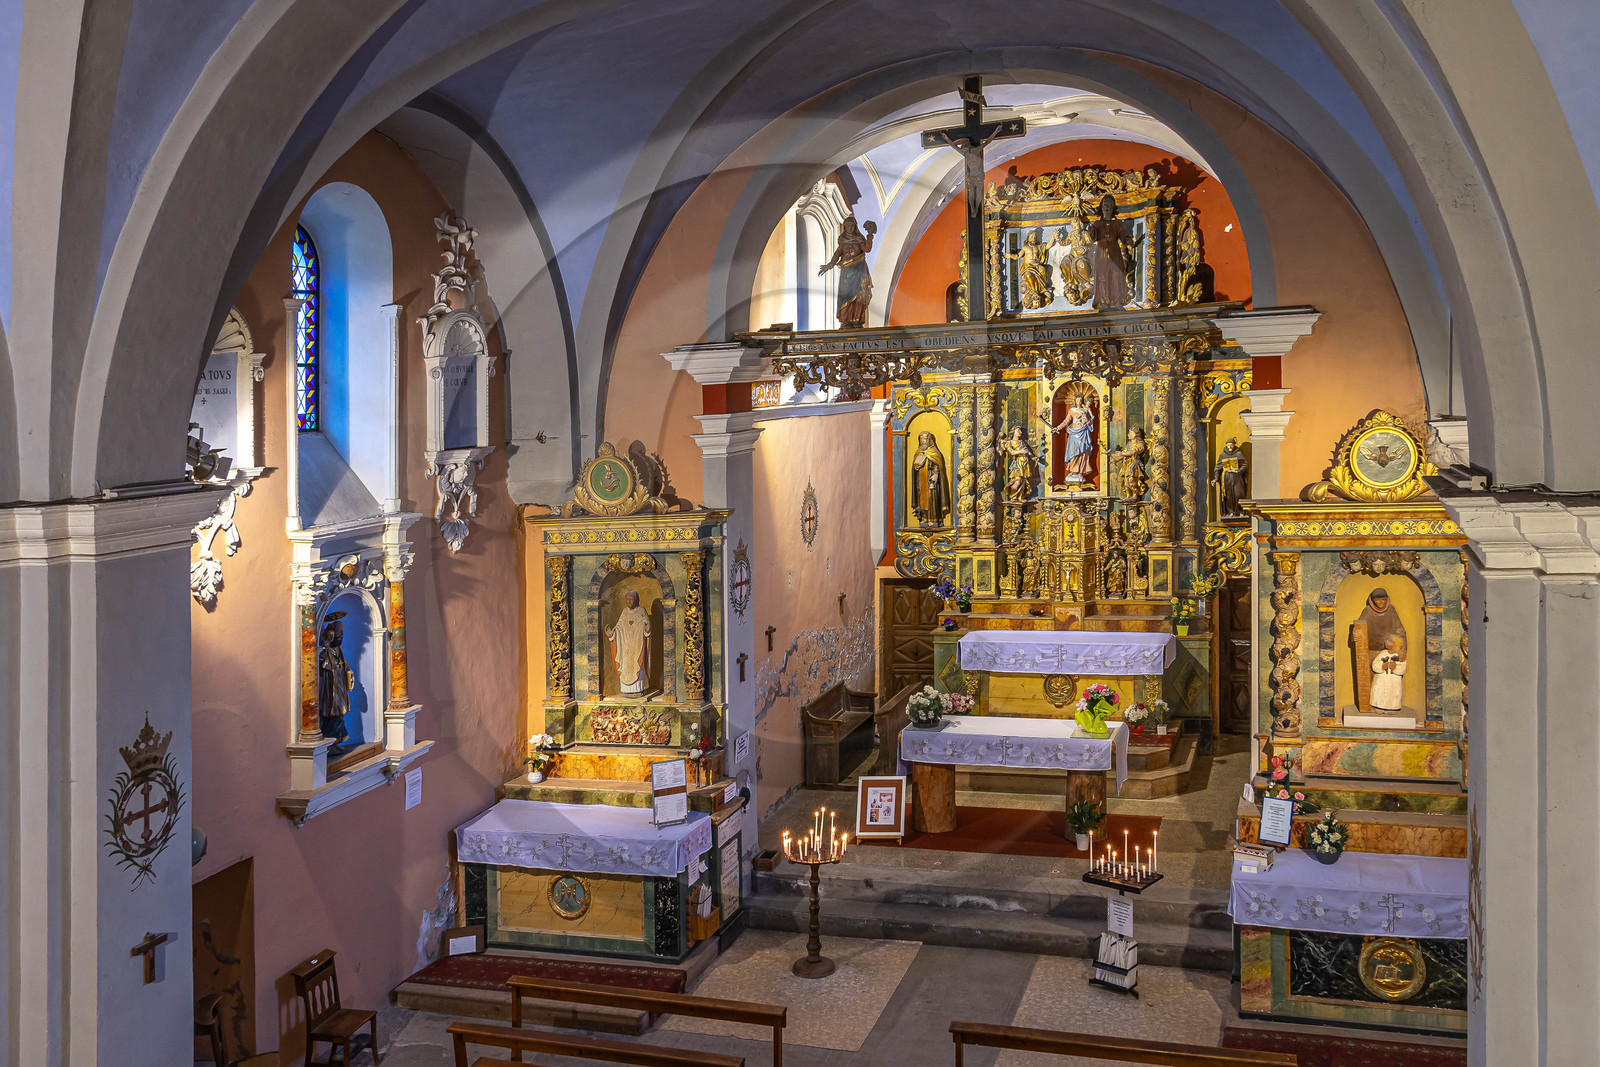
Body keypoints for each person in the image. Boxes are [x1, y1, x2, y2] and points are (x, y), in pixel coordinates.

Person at [817, 216, 876, 328]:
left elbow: (867, 249)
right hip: (846, 272)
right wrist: (829, 265)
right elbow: (837, 254)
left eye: (851, 225)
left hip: (858, 270)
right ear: (845, 227)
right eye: (847, 226)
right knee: (845, 296)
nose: (849, 228)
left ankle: (856, 320)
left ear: (855, 227)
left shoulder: (859, 239)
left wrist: (870, 235)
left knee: (859, 295)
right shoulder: (842, 241)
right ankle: (846, 320)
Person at [1088, 194, 1140, 309]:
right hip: (1101, 253)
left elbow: (1123, 234)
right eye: (1105, 204)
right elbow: (1092, 238)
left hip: (1114, 250)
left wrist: (1128, 240)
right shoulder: (1097, 224)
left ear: (1113, 207)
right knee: (1102, 276)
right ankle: (1104, 302)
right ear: (1101, 207)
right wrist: (1091, 231)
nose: (1107, 207)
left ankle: (1117, 301)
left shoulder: (1117, 223)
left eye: (1110, 205)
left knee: (1116, 275)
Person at [317, 611, 354, 745]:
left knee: (339, 712)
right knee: (329, 712)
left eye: (342, 634)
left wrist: (348, 673)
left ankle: (336, 740)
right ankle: (328, 740)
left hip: (339, 685)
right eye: (338, 633)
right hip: (328, 685)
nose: (340, 636)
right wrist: (325, 644)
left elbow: (344, 663)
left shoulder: (338, 648)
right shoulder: (326, 646)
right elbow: (319, 660)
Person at [607, 589, 652, 696]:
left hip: (637, 645)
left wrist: (646, 629)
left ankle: (639, 689)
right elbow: (619, 627)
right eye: (627, 600)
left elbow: (646, 625)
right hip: (626, 647)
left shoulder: (641, 610)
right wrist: (612, 634)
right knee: (625, 666)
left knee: (638, 664)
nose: (629, 602)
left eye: (631, 600)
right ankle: (627, 691)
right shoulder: (624, 612)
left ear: (636, 600)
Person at [1045, 398, 1096, 484]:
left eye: (1080, 400)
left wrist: (1088, 418)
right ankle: (1073, 471)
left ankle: (1080, 471)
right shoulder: (1072, 410)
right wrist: (1057, 428)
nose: (1079, 401)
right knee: (1073, 453)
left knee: (1083, 453)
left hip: (1083, 433)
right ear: (1075, 401)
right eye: (1077, 400)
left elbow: (1090, 422)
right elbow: (1066, 421)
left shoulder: (1085, 410)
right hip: (1074, 434)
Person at [1005, 228, 1052, 309]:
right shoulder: (1025, 247)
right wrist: (1010, 255)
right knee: (1028, 276)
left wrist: (1053, 237)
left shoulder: (1038, 246)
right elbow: (1018, 256)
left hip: (1036, 265)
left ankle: (1043, 289)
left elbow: (1048, 246)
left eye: (1035, 237)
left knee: (1043, 270)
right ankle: (1034, 291)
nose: (1033, 238)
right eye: (1032, 237)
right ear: (1028, 238)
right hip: (1028, 266)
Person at [910, 431, 949, 526]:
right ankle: (923, 518)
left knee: (932, 498)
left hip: (931, 480)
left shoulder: (934, 452)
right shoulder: (918, 452)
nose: (923, 441)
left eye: (925, 439)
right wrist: (915, 468)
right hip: (921, 480)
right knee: (921, 499)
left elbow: (938, 465)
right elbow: (914, 468)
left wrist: (936, 474)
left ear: (930, 440)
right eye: (921, 439)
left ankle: (934, 519)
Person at [1370, 634, 1408, 712]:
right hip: (1381, 678)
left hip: (1394, 679)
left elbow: (1402, 668)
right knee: (1380, 691)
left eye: (1389, 641)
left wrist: (1395, 667)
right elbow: (1375, 663)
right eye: (1386, 640)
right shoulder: (1383, 653)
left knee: (1393, 692)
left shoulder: (1400, 656)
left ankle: (1393, 707)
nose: (1386, 642)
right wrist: (1382, 666)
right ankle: (1379, 706)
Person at [1214, 437, 1249, 517]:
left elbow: (1245, 464)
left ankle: (1240, 511)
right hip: (1226, 478)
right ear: (1226, 445)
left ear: (1234, 445)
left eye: (1231, 445)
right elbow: (1218, 467)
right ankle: (1230, 512)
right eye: (1228, 445)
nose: (1230, 447)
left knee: (1238, 494)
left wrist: (1239, 471)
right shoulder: (1222, 455)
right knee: (1228, 496)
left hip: (1237, 477)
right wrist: (1216, 477)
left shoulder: (1238, 454)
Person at [1001, 425, 1038, 499]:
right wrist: (1020, 451)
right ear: (1013, 432)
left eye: (1020, 431)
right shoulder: (1009, 442)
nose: (1020, 432)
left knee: (1024, 482)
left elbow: (1027, 451)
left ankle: (1020, 497)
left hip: (1025, 462)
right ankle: (1011, 494)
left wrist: (1033, 457)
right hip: (1017, 463)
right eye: (1018, 430)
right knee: (1017, 481)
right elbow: (1011, 452)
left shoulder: (1021, 442)